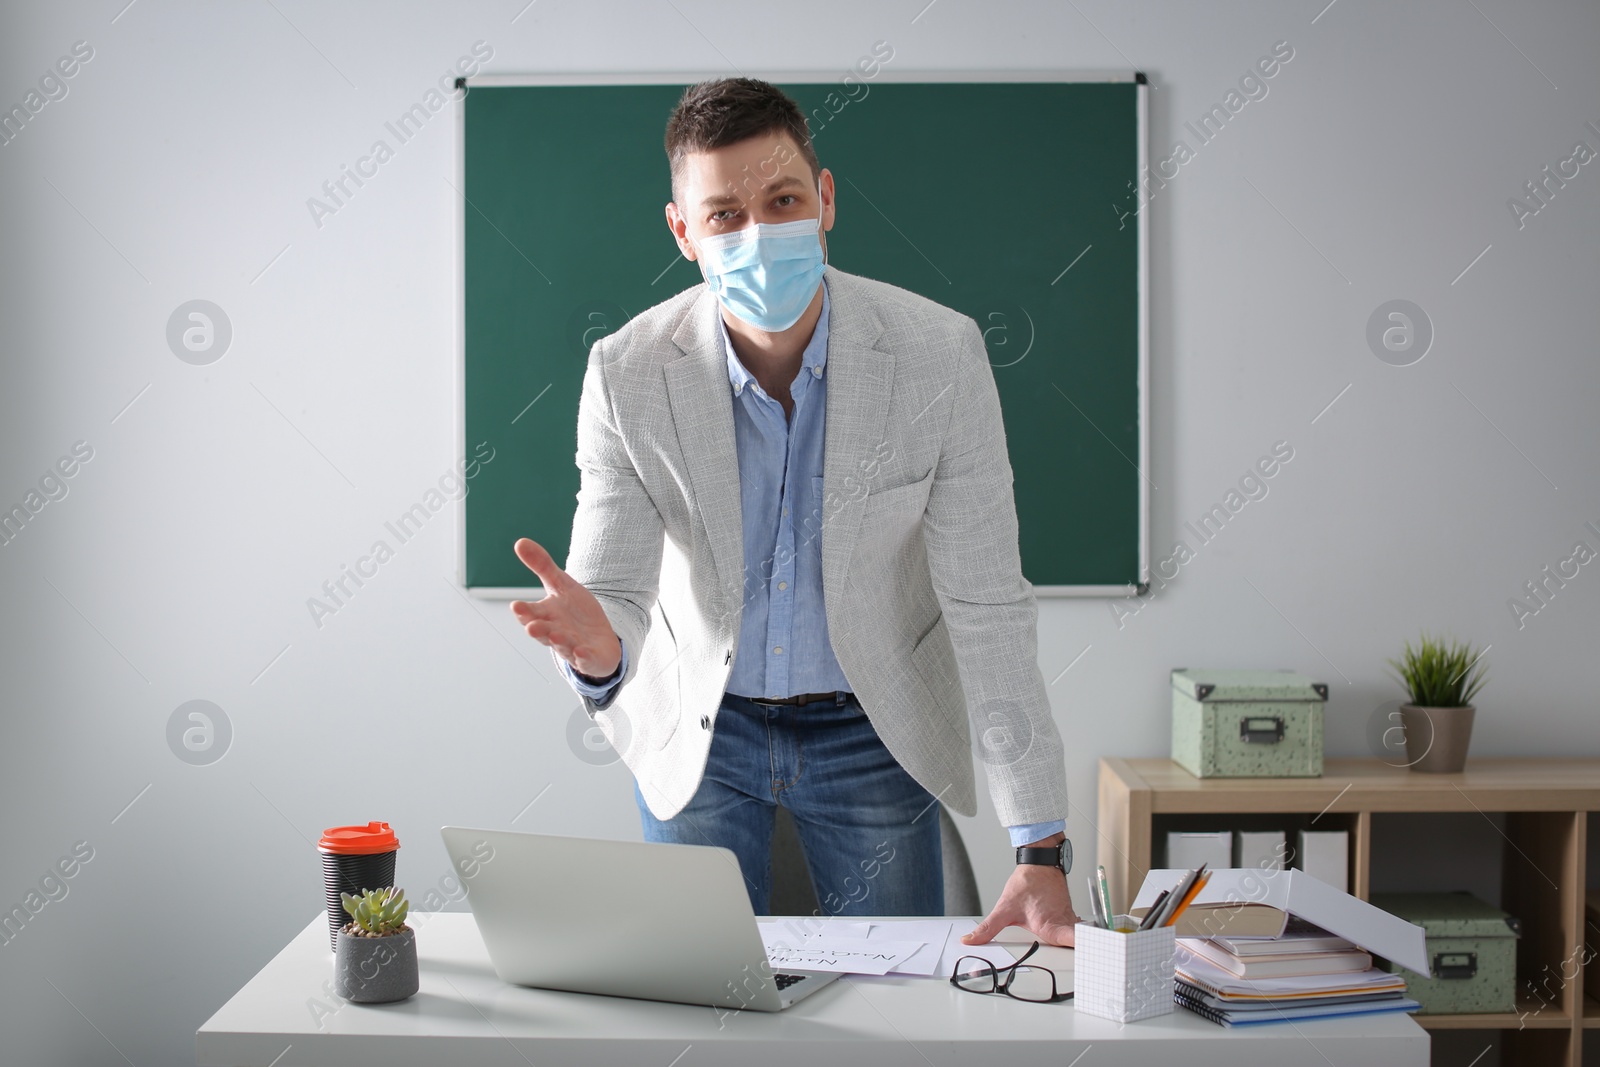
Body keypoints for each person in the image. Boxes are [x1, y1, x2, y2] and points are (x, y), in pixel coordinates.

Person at [512, 77, 1079, 948]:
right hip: (704, 729)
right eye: (724, 215)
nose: (758, 234)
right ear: (683, 232)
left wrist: (1040, 843)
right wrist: (598, 653)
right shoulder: (626, 372)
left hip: (871, 726)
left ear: (825, 199)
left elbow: (987, 606)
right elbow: (611, 598)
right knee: (699, 997)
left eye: (781, 201)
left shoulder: (940, 356)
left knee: (894, 1007)